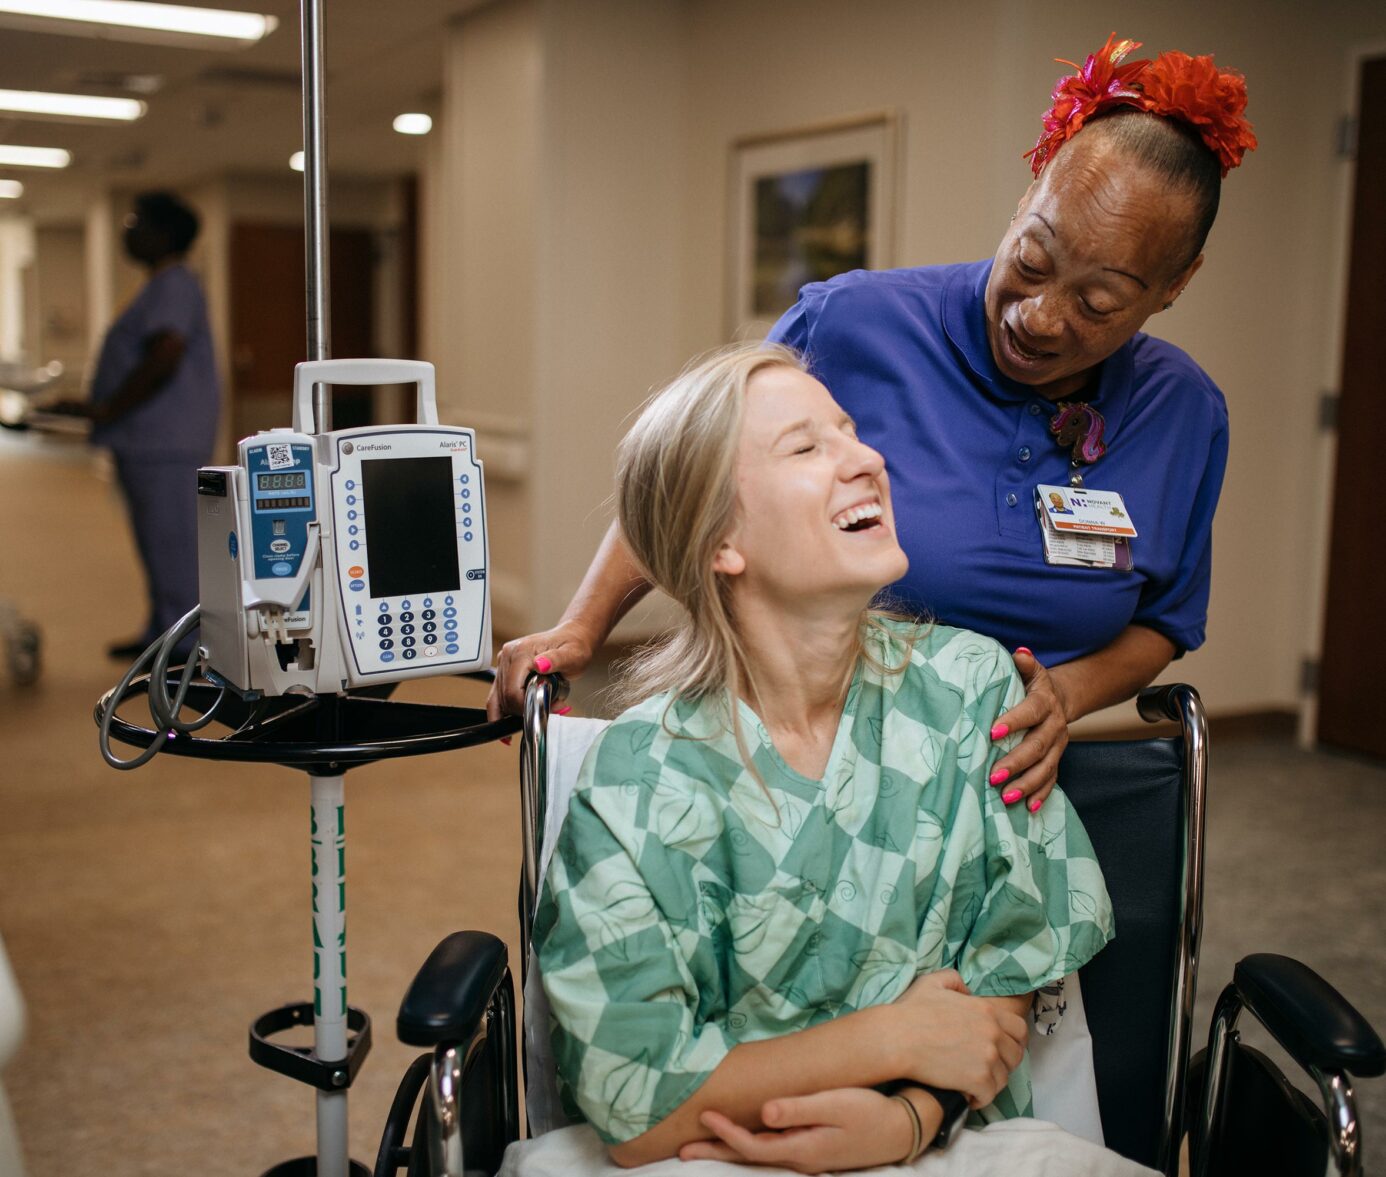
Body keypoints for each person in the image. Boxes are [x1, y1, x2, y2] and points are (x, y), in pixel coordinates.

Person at [487, 35, 1255, 812]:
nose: (1040, 316)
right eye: (1032, 258)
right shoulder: (853, 324)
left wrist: (1062, 695)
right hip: (802, 763)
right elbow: (689, 480)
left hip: (1008, 779)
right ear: (1027, 197)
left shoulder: (1183, 413)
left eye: (1098, 304)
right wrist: (581, 627)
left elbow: (1163, 619)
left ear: (1173, 288)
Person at [505, 344, 1146, 1177]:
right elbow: (635, 1108)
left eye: (851, 432)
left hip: (955, 1140)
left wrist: (907, 1122)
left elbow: (1007, 979)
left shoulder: (971, 690)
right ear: (720, 540)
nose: (869, 459)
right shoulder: (640, 775)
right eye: (808, 448)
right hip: (718, 1159)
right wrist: (886, 1038)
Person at [59, 191, 220, 658]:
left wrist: (108, 408)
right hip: (151, 441)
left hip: (164, 442)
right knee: (156, 546)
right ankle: (162, 633)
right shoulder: (159, 285)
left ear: (164, 233)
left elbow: (165, 355)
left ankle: (188, 651)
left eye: (136, 221)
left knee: (172, 548)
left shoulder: (174, 284)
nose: (127, 230)